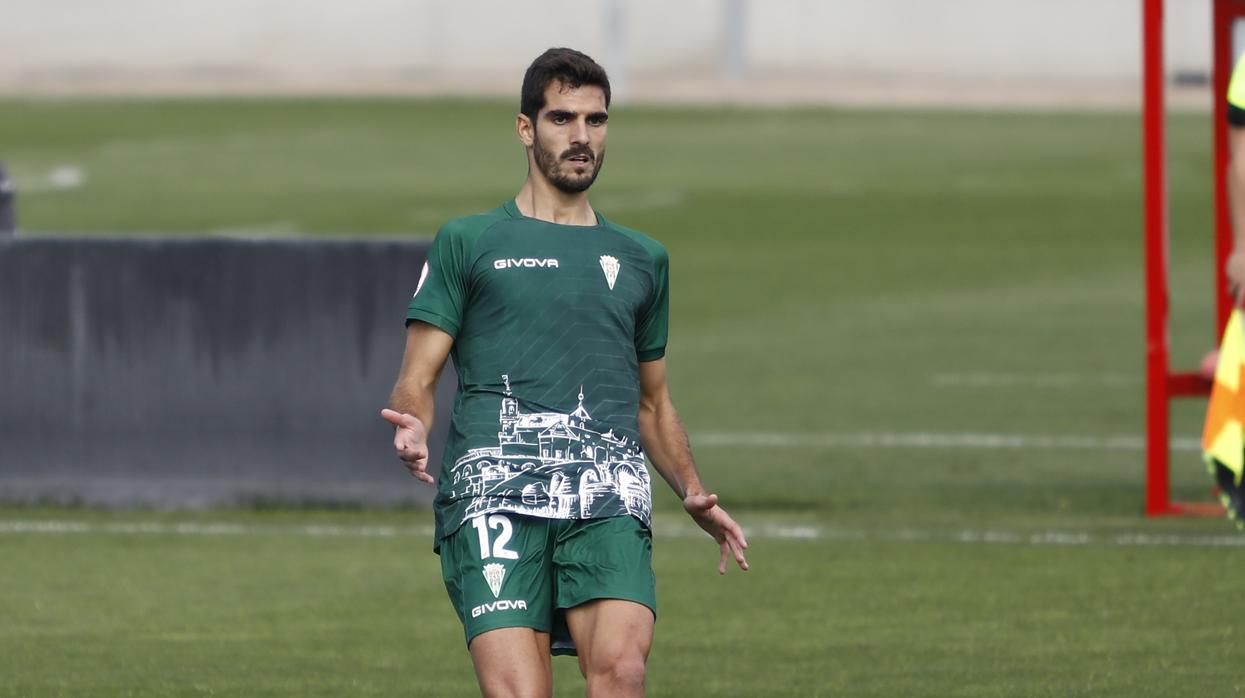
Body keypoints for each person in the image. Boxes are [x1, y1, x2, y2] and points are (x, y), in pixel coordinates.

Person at [381, 48, 749, 697]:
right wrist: (412, 421)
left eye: (595, 119)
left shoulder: (641, 258)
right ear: (526, 128)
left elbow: (651, 402)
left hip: (607, 496)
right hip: (493, 495)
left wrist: (691, 489)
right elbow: (420, 373)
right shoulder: (467, 242)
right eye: (561, 118)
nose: (581, 136)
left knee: (622, 673)